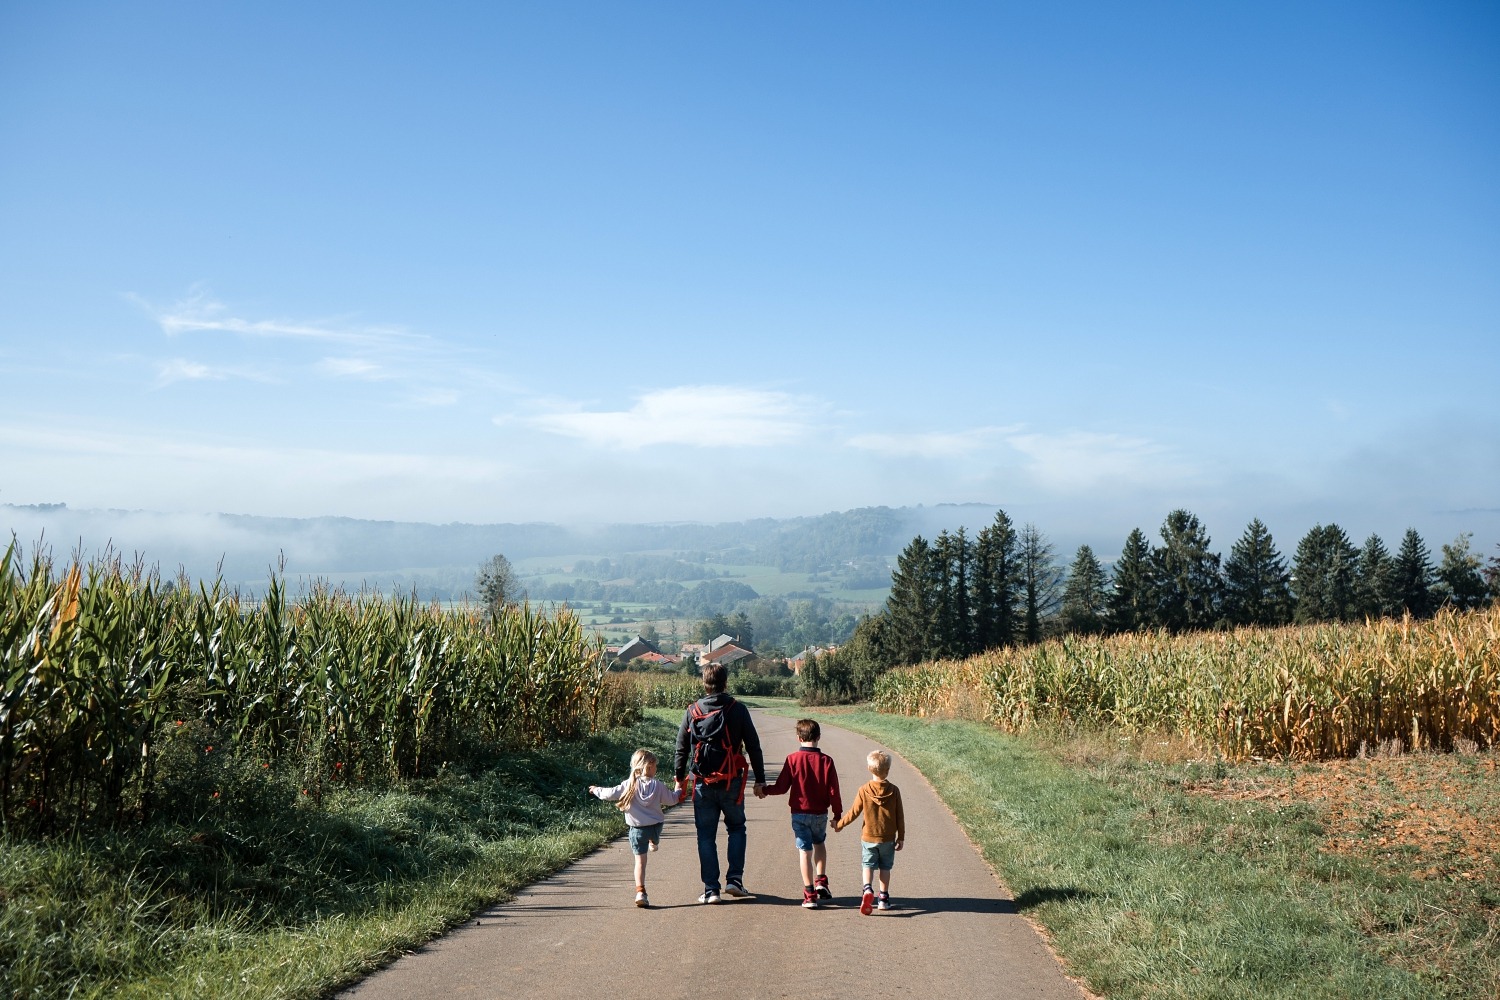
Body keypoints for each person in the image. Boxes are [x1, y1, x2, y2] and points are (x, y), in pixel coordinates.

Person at [673, 663, 767, 904]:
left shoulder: (692, 711)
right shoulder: (737, 709)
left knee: (705, 836)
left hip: (703, 783)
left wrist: (678, 778)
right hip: (731, 782)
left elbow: (681, 747)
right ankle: (734, 880)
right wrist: (761, 780)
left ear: (704, 683)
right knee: (736, 828)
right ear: (726, 683)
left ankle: (710, 890)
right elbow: (754, 746)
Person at [761, 718, 843, 909]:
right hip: (821, 813)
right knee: (820, 842)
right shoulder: (827, 761)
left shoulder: (792, 759)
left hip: (799, 813)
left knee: (804, 851)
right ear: (819, 737)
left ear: (798, 738)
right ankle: (821, 881)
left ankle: (809, 894)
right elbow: (834, 792)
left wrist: (764, 790)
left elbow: (782, 788)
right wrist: (837, 815)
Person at [589, 748, 684, 908]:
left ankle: (640, 892)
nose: (656, 769)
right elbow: (673, 800)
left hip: (637, 830)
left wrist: (596, 790)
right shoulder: (658, 785)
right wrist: (678, 788)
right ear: (650, 766)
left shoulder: (629, 784)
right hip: (655, 827)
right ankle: (653, 841)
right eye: (655, 767)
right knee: (654, 836)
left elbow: (610, 793)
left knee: (640, 862)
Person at [833, 748, 905, 914]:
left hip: (868, 837)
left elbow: (854, 812)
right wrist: (901, 837)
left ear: (869, 768)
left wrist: (840, 824)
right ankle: (883, 898)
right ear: (887, 770)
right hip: (887, 838)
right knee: (885, 867)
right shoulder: (894, 790)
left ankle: (867, 889)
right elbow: (899, 816)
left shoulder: (864, 789)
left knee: (868, 864)